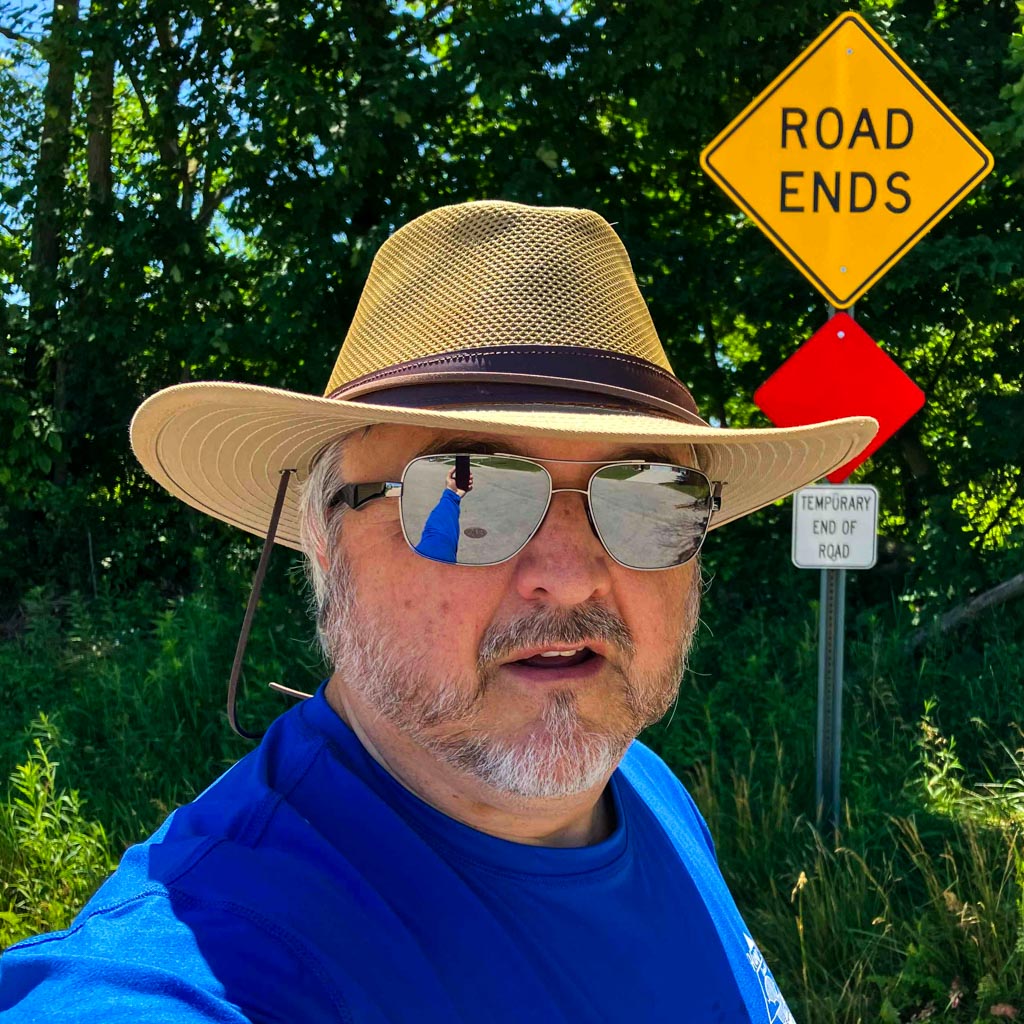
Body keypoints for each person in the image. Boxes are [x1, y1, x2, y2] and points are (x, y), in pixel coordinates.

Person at [0, 201, 876, 1022]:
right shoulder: (217, 963)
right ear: (325, 539)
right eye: (467, 490)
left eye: (647, 495)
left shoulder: (640, 786)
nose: (570, 575)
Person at [414, 466, 474, 562]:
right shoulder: (433, 556)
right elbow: (440, 534)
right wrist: (451, 495)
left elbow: (439, 533)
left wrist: (452, 494)